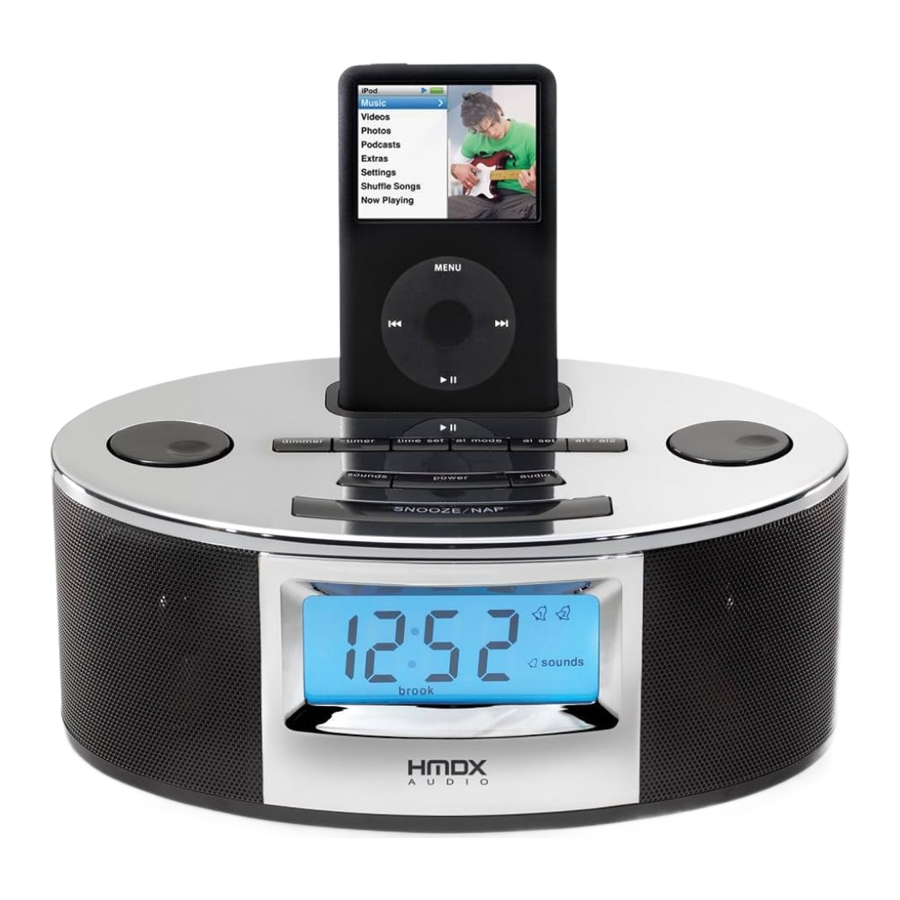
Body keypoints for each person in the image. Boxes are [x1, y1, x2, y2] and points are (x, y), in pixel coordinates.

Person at [448, 92, 537, 220]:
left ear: (498, 110)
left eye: (492, 124)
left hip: (519, 198)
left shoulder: (529, 135)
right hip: (480, 200)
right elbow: (454, 166)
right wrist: (456, 169)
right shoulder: (472, 139)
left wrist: (535, 187)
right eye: (483, 131)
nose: (492, 133)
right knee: (444, 206)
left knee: (539, 208)